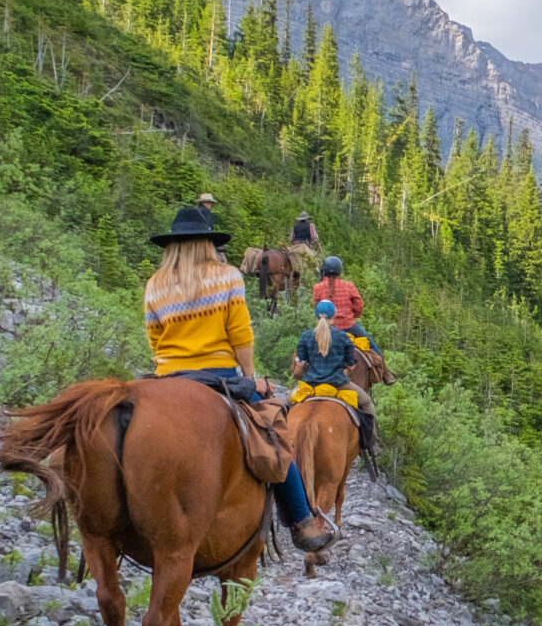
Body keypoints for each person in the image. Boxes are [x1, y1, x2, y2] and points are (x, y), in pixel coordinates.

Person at [144, 205, 332, 552]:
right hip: (218, 376)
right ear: (207, 243)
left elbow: (154, 339)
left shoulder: (155, 284)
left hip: (166, 377)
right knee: (274, 439)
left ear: (171, 245)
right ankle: (303, 522)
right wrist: (250, 379)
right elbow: (240, 334)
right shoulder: (226, 276)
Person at [293, 300, 380, 457]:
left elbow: (300, 363)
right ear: (334, 317)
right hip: (339, 384)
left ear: (315, 316)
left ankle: (278, 441)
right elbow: (351, 364)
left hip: (310, 385)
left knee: (284, 404)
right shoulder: (343, 337)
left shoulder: (306, 336)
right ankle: (371, 443)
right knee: (367, 403)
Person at [312, 255, 364, 330]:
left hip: (326, 328)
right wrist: (352, 316)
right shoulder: (349, 285)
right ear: (339, 270)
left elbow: (317, 307)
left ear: (324, 270)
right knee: (369, 342)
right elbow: (359, 305)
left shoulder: (317, 287)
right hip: (348, 326)